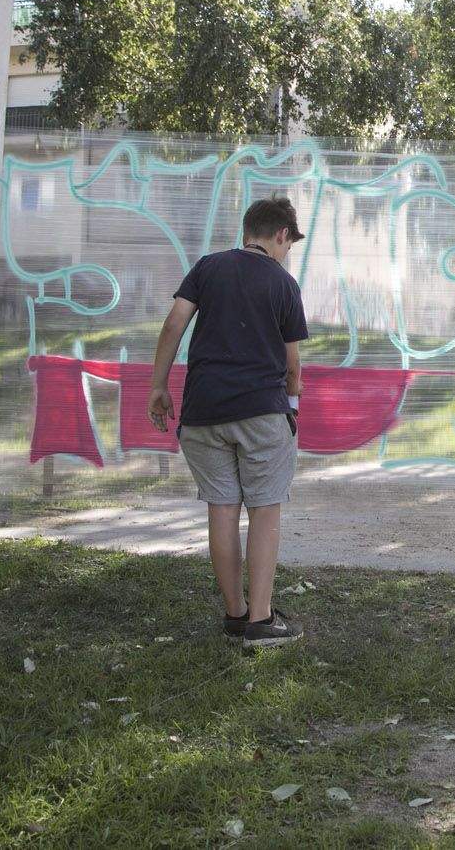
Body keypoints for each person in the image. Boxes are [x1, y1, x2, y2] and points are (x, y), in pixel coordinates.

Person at [148, 196, 308, 648]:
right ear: (280, 235)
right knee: (264, 510)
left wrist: (158, 386)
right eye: (288, 245)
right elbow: (292, 366)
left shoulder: (207, 267)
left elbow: (173, 326)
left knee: (221, 510)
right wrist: (292, 401)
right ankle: (261, 620)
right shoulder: (283, 283)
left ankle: (235, 613)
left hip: (202, 413)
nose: (286, 253)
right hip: (261, 412)